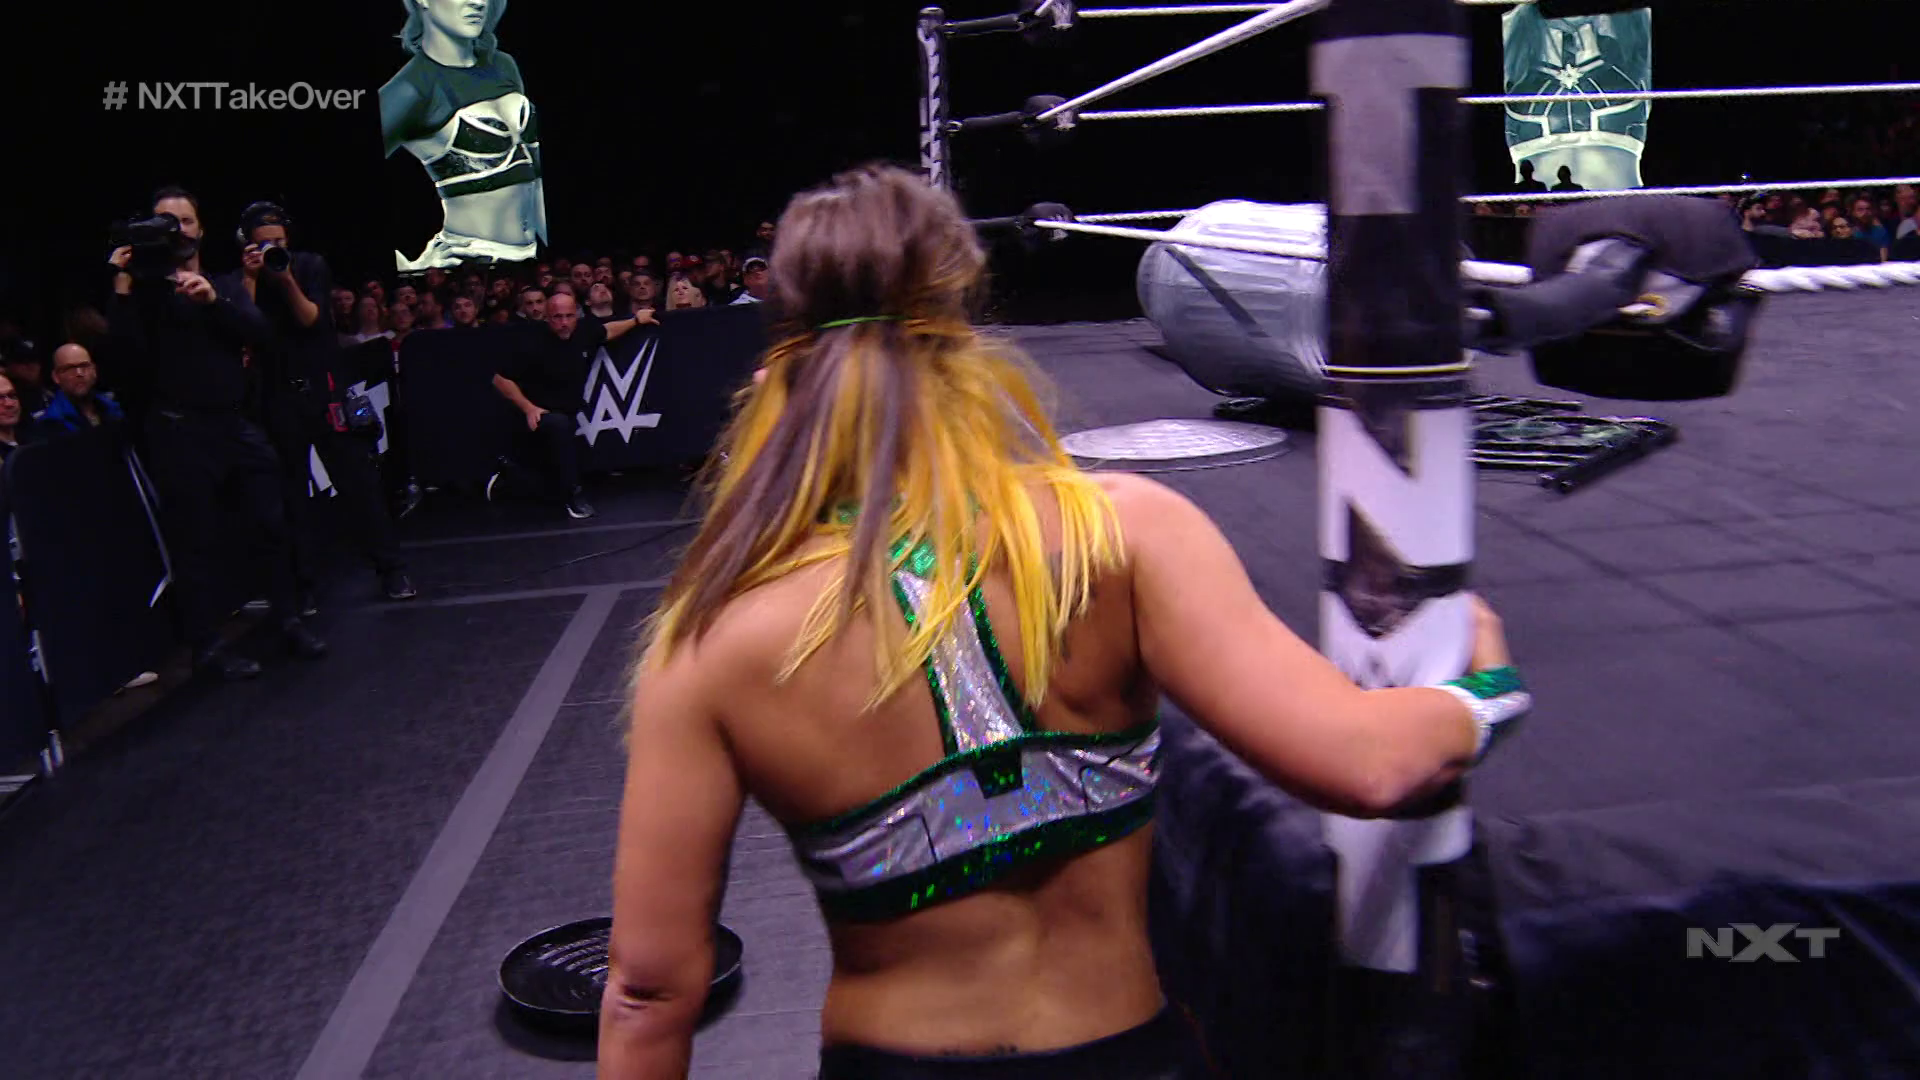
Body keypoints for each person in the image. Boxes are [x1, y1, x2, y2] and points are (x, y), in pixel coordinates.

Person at [598, 165, 1528, 1078]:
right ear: (964, 326)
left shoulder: (713, 641)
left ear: (778, 361)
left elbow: (647, 992)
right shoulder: (1122, 533)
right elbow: (1373, 762)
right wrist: (1483, 689)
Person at [106, 186, 326, 680]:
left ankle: (288, 620)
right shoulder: (140, 294)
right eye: (166, 221)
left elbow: (260, 334)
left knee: (271, 522)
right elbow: (122, 358)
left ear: (201, 229)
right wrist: (121, 282)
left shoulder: (224, 284)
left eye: (185, 220)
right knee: (196, 543)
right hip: (178, 430)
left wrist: (212, 302)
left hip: (234, 424)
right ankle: (207, 646)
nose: (177, 230)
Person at [219, 201, 415, 608]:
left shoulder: (309, 266)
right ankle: (303, 584)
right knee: (291, 494)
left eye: (278, 241)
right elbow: (244, 327)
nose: (272, 249)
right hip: (277, 394)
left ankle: (391, 568)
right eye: (262, 243)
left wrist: (285, 278)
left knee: (358, 482)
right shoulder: (239, 279)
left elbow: (311, 318)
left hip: (324, 389)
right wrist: (251, 280)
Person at [381, 0, 547, 270]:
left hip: (531, 259)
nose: (478, 2)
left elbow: (533, 173)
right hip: (469, 265)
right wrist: (407, 267)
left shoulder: (503, 65)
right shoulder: (413, 88)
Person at [490, 291, 653, 519]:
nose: (564, 323)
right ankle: (574, 497)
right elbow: (499, 379)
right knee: (559, 425)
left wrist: (636, 320)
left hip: (568, 414)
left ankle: (511, 474)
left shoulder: (583, 332)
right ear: (547, 317)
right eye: (557, 317)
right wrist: (528, 408)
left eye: (569, 316)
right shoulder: (532, 343)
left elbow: (607, 331)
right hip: (538, 416)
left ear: (576, 314)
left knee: (548, 483)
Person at [36, 344, 125, 433]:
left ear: (94, 370)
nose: (79, 373)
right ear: (56, 377)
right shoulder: (51, 423)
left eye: (84, 365)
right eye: (69, 368)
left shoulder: (112, 407)